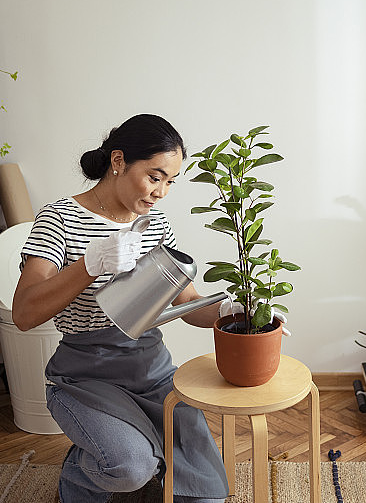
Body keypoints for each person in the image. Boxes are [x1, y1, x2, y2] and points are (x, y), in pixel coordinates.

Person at [12, 114, 229, 503]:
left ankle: (136, 457)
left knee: (204, 494)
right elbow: (24, 314)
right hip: (86, 376)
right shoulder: (58, 219)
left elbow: (187, 302)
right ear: (118, 162)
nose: (161, 192)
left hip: (151, 371)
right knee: (129, 468)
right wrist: (88, 264)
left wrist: (232, 312)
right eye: (154, 176)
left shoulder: (155, 225)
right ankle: (78, 477)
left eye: (169, 182)